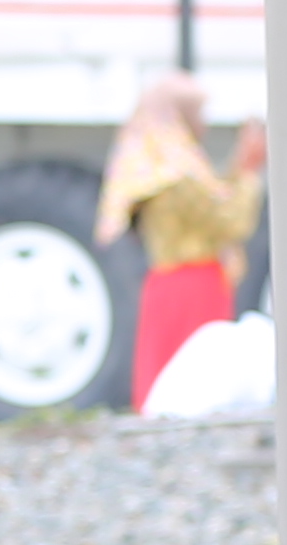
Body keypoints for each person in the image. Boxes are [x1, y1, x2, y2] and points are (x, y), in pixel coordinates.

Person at [100, 78, 264, 409]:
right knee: (196, 391)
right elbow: (228, 222)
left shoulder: (158, 163)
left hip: (172, 285)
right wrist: (249, 170)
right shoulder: (175, 173)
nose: (203, 124)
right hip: (192, 287)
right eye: (198, 114)